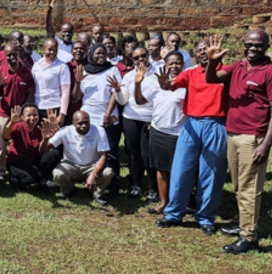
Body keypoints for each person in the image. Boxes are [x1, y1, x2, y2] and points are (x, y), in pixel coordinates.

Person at [206, 31, 272, 253]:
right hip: (233, 133)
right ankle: (244, 224)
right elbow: (211, 79)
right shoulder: (237, 66)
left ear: (266, 46)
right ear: (243, 45)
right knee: (238, 185)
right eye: (249, 44)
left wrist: (265, 144)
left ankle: (249, 236)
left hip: (253, 136)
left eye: (258, 45)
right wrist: (212, 61)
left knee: (250, 188)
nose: (253, 48)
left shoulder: (271, 71)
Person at [155, 40, 228, 236]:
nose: (204, 53)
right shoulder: (191, 73)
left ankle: (205, 217)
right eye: (200, 50)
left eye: (207, 49)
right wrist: (164, 83)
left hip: (216, 124)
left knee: (210, 173)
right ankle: (173, 213)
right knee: (181, 169)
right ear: (195, 56)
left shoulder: (226, 72)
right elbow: (171, 85)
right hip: (192, 124)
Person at [134, 51, 187, 215]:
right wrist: (137, 84)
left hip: (179, 133)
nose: (174, 66)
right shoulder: (155, 82)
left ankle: (179, 203)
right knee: (161, 169)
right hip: (158, 131)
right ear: (165, 65)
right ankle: (164, 203)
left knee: (179, 170)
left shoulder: (187, 82)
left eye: (177, 62)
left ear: (183, 65)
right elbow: (140, 101)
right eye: (170, 63)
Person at [73, 44, 122, 195]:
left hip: (108, 117)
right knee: (91, 151)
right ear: (91, 53)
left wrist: (107, 113)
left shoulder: (113, 69)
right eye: (97, 53)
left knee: (110, 150)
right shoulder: (84, 70)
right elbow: (76, 97)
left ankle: (113, 185)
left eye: (103, 53)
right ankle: (92, 182)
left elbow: (115, 92)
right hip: (89, 117)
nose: (101, 56)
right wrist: (78, 81)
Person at [110, 47, 158, 201]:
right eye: (136, 58)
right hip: (130, 117)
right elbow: (123, 100)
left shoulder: (158, 73)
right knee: (133, 154)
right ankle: (136, 186)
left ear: (148, 56)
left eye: (143, 56)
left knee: (147, 155)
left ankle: (152, 188)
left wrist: (155, 119)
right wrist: (118, 91)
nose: (140, 60)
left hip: (149, 118)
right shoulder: (129, 76)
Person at [50, 110, 114, 205]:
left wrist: (93, 174)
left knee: (108, 173)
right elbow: (46, 148)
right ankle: (69, 190)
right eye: (80, 123)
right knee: (58, 173)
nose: (84, 125)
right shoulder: (65, 131)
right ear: (73, 124)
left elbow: (103, 156)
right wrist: (45, 139)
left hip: (92, 165)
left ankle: (97, 193)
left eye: (86, 122)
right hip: (71, 165)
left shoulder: (99, 130)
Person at [0, 44, 35, 178]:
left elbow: (30, 91)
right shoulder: (0, 71)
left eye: (14, 54)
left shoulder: (26, 72)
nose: (12, 57)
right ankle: (0, 170)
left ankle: (17, 168)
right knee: (1, 142)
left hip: (20, 114)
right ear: (5, 56)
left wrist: (24, 110)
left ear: (18, 54)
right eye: (9, 55)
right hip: (4, 112)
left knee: (19, 142)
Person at [3, 104, 58, 192]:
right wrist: (12, 122)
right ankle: (14, 179)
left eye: (35, 115)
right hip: (16, 162)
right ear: (22, 117)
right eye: (28, 115)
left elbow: (42, 150)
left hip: (33, 160)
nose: (32, 118)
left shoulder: (41, 128)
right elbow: (5, 136)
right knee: (32, 179)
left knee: (54, 153)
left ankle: (43, 180)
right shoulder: (18, 126)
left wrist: (45, 138)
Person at [32, 38, 71, 126]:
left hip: (54, 108)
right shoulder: (36, 65)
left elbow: (65, 92)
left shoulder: (62, 67)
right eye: (49, 49)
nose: (52, 52)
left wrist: (62, 114)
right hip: (38, 106)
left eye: (55, 50)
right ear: (43, 49)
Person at [66, 41, 88, 125]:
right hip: (70, 110)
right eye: (76, 48)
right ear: (71, 51)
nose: (78, 50)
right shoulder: (66, 67)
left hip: (86, 109)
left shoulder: (90, 68)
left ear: (86, 51)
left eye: (81, 48)